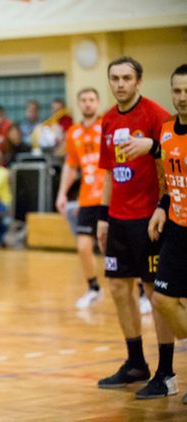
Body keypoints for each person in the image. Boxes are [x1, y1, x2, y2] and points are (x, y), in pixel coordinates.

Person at [96, 56, 176, 399]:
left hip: (149, 219)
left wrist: (164, 207)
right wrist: (102, 215)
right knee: (117, 288)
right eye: (115, 78)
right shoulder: (109, 119)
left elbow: (171, 165)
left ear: (139, 81)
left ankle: (167, 372)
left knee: (155, 294)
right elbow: (111, 171)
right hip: (118, 218)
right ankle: (135, 363)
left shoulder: (157, 116)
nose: (120, 84)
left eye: (127, 78)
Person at [148, 63, 187, 404]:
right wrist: (162, 207)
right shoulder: (166, 131)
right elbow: (167, 181)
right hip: (176, 225)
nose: (182, 97)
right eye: (177, 91)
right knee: (162, 299)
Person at [55, 88, 105, 309]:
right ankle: (94, 288)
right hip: (87, 198)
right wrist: (62, 193)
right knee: (84, 246)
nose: (87, 104)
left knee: (114, 248)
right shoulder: (73, 132)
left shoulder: (106, 127)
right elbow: (71, 166)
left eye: (91, 100)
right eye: (83, 100)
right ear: (78, 104)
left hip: (109, 198)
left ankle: (142, 291)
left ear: (98, 102)